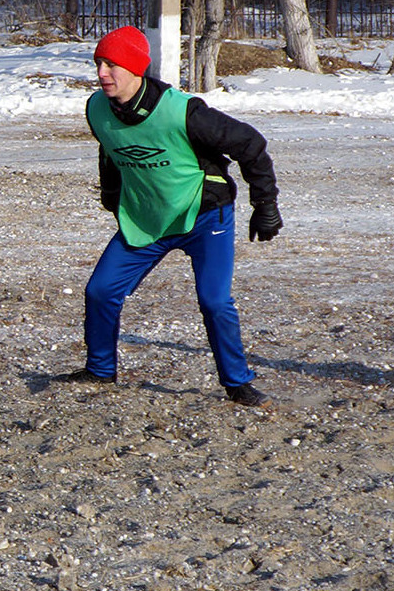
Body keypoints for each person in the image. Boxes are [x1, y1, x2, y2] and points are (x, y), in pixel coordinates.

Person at [63, 25, 283, 408]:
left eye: (112, 65)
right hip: (147, 219)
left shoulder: (184, 111)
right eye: (98, 63)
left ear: (136, 69)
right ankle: (100, 371)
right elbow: (111, 151)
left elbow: (251, 144)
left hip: (204, 215)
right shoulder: (97, 109)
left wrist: (265, 207)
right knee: (100, 291)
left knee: (214, 301)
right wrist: (113, 199)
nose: (101, 73)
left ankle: (237, 383)